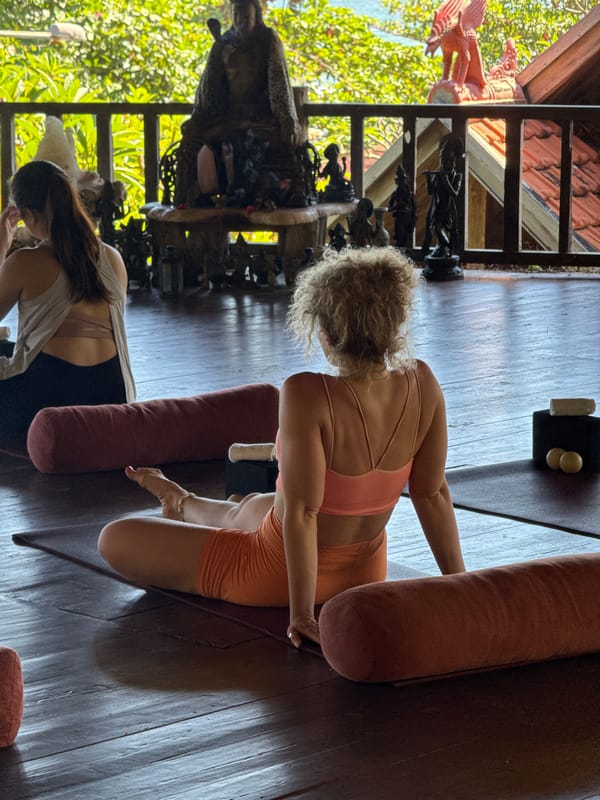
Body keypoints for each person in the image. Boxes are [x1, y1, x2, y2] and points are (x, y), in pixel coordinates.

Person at [98, 246, 465, 648]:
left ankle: (185, 507)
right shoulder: (423, 382)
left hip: (273, 572)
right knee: (254, 505)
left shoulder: (306, 392)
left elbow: (305, 514)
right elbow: (432, 494)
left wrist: (302, 614)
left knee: (114, 537)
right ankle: (181, 503)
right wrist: (463, 585)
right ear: (396, 327)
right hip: (366, 570)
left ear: (325, 334)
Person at [0, 159, 135, 441]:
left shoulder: (25, 262)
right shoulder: (113, 258)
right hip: (113, 398)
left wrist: (2, 248)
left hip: (47, 407)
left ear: (29, 216)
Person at [175, 0, 302, 205]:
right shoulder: (222, 44)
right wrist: (198, 118)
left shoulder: (267, 39)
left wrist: (286, 118)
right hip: (229, 117)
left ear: (256, 15)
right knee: (193, 142)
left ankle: (250, 194)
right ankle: (195, 195)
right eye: (236, 15)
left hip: (260, 116)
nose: (241, 20)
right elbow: (209, 88)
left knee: (253, 142)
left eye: (246, 15)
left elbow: (279, 83)